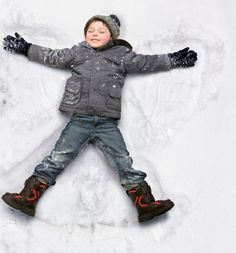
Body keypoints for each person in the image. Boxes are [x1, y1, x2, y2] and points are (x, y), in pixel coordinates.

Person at [1, 14, 197, 222]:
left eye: (101, 31)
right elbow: (53, 56)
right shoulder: (78, 52)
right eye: (91, 30)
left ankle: (145, 204)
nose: (94, 34)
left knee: (123, 160)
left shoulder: (122, 55)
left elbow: (146, 62)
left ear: (111, 36)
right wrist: (27, 48)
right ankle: (28, 198)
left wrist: (171, 59)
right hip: (79, 120)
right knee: (57, 158)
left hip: (106, 124)